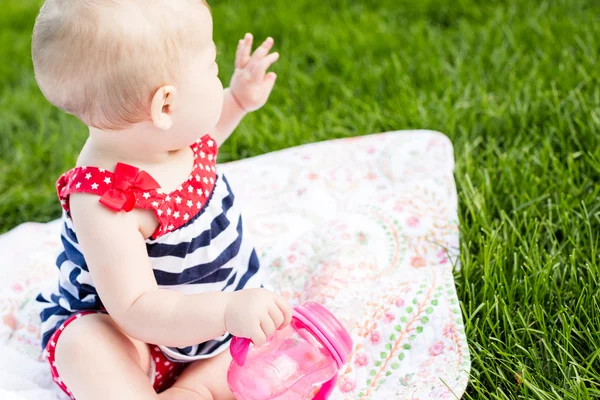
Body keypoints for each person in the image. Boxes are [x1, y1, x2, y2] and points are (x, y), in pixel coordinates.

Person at [32, 1, 293, 398]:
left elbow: (209, 128)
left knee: (257, 356)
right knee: (85, 346)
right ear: (166, 106)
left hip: (215, 328)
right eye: (212, 68)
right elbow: (136, 306)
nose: (217, 75)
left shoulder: (172, 139)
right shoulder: (107, 201)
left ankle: (194, 389)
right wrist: (226, 311)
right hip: (133, 334)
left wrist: (237, 99)